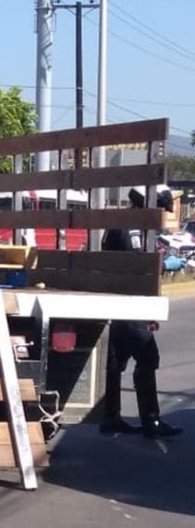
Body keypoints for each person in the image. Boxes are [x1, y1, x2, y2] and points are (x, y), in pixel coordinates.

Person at [99, 184, 184, 439]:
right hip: (130, 302)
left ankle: (111, 416)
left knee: (115, 360)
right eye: (159, 207)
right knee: (148, 357)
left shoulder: (121, 223)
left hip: (116, 301)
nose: (160, 213)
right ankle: (151, 420)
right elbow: (137, 265)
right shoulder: (133, 230)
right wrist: (159, 266)